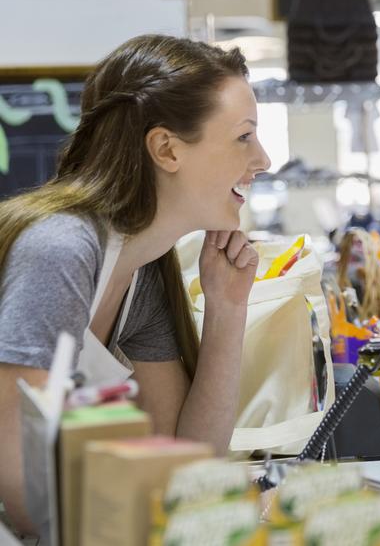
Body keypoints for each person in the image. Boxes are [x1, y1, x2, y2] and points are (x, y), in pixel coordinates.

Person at [0, 34, 270, 536]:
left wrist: (227, 308)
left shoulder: (141, 267)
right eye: (243, 137)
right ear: (166, 148)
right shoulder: (61, 250)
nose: (263, 159)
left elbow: (186, 464)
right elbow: (25, 496)